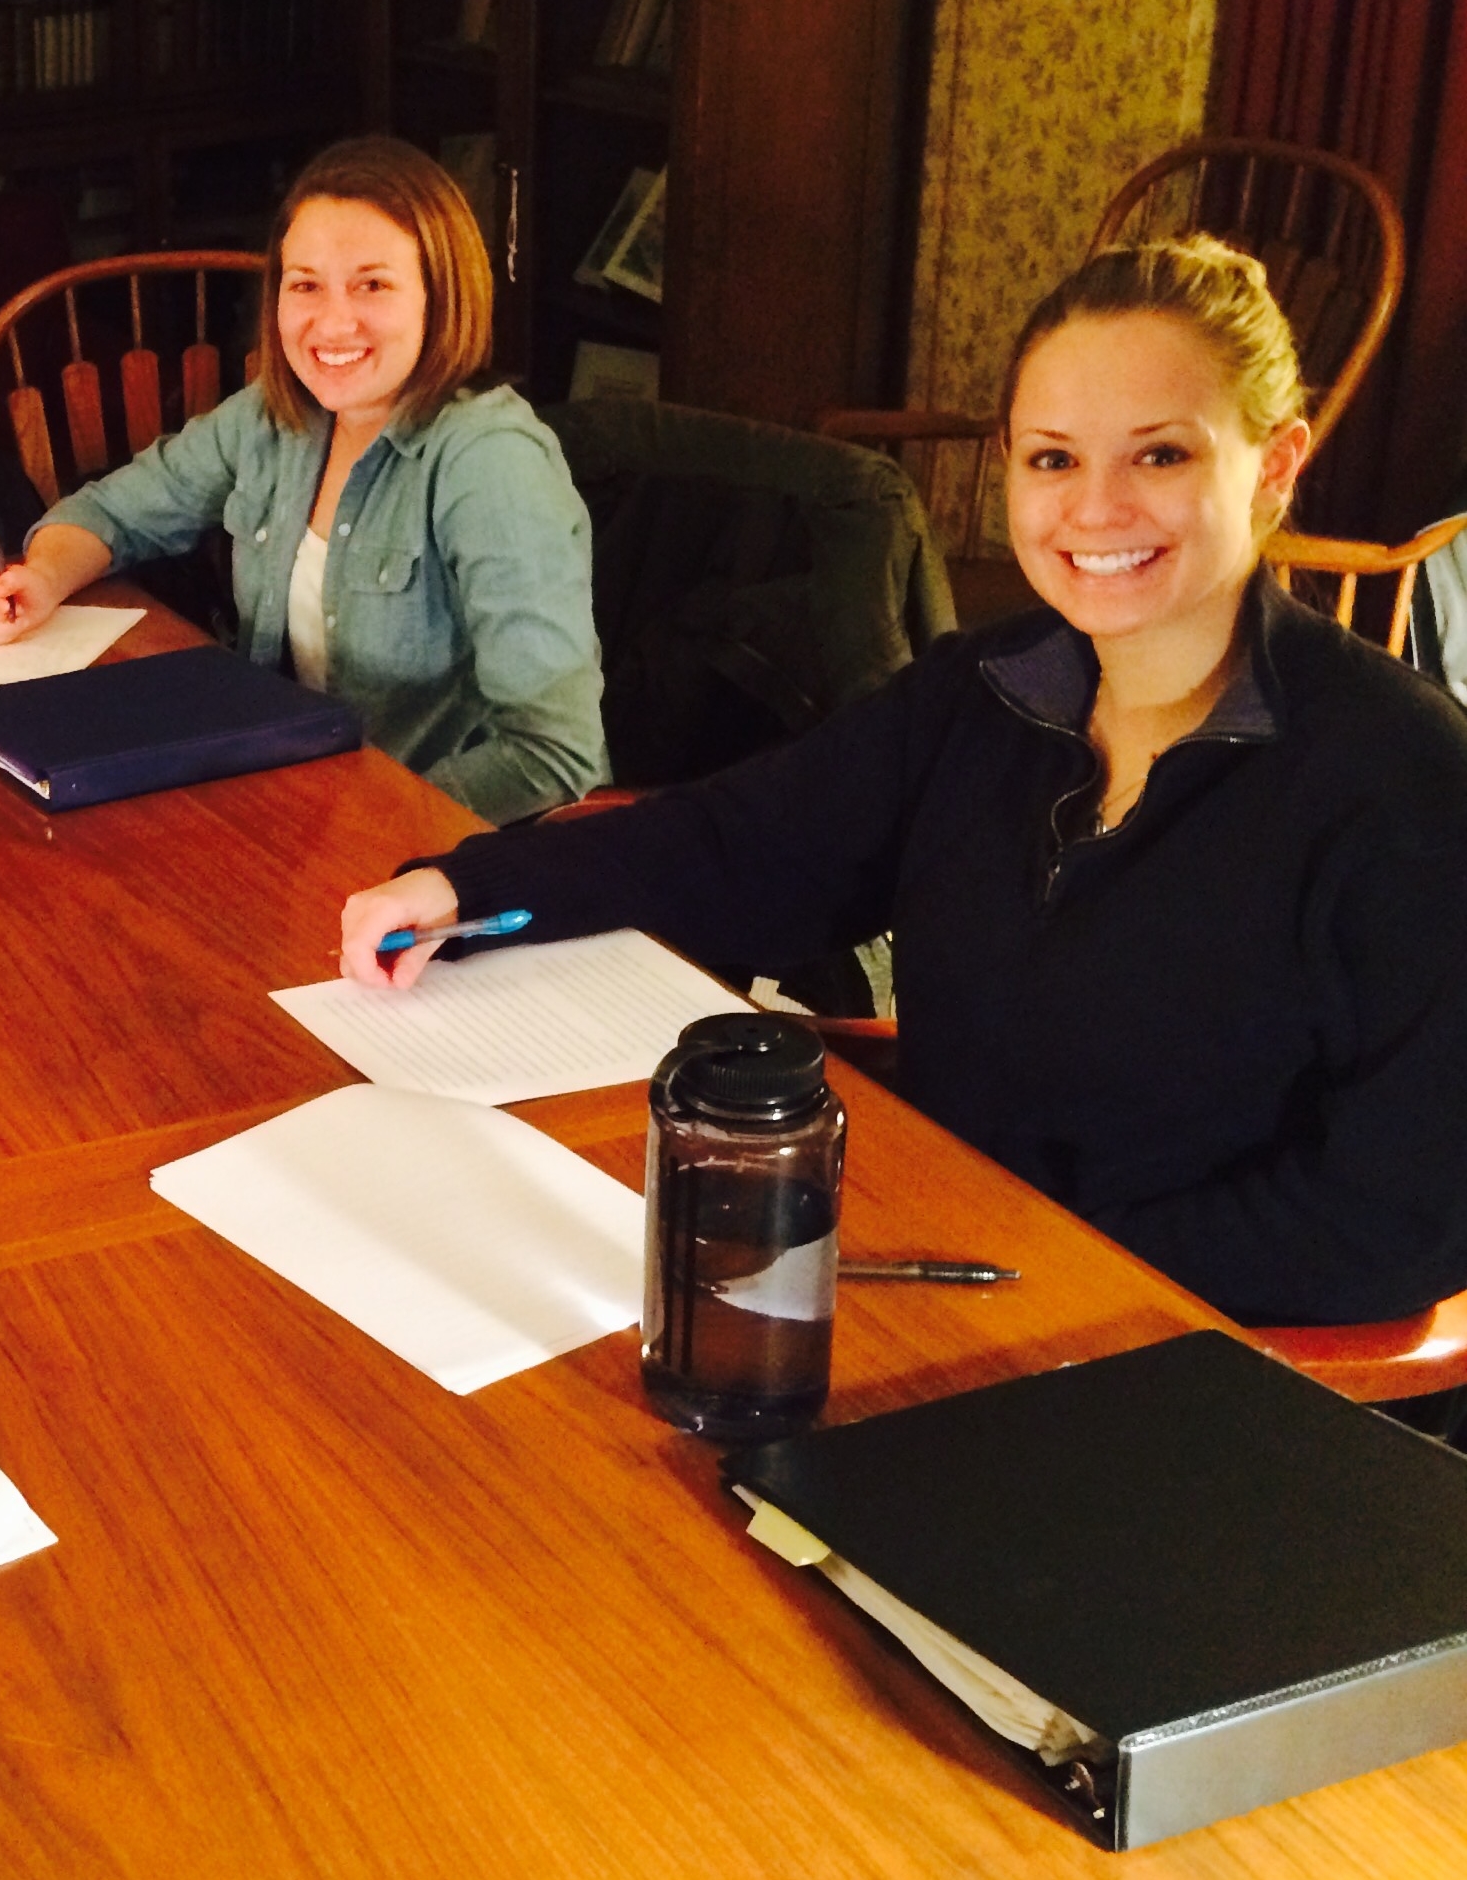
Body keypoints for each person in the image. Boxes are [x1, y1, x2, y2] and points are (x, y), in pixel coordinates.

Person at [335, 235, 1467, 1329]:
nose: (1093, 508)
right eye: (1052, 457)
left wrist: (1043, 1262)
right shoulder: (983, 690)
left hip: (1188, 1368)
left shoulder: (1403, 785)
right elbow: (744, 846)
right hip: (925, 1273)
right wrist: (467, 886)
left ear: (1273, 463)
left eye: (1159, 454)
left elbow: (1394, 1217)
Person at [0, 134, 608, 825]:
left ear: (439, 298)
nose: (332, 322)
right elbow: (113, 514)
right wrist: (43, 576)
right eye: (305, 285)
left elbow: (555, 755)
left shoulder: (489, 463)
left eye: (372, 285)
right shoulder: (276, 417)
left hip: (415, 853)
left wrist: (357, 828)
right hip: (276, 805)